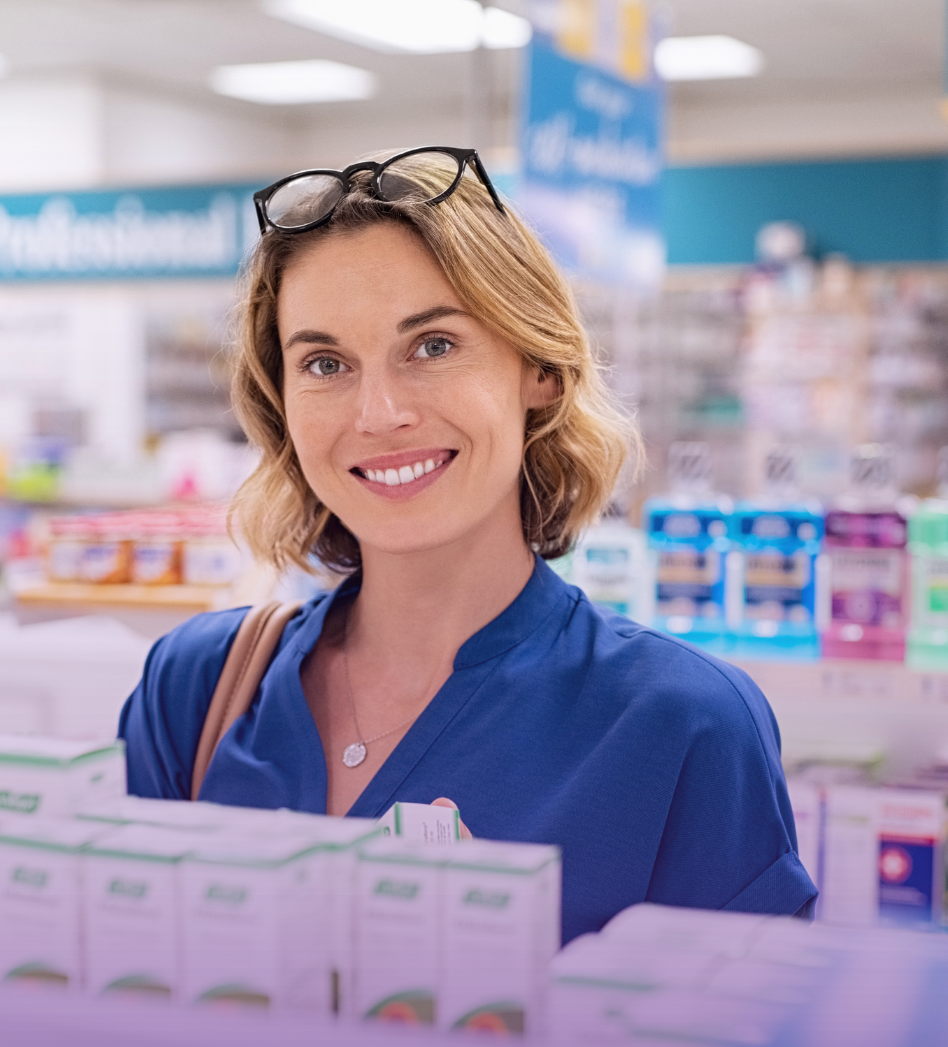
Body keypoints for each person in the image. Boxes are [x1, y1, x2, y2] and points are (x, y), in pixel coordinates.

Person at [120, 147, 817, 943]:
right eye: (324, 363)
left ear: (539, 369)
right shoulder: (200, 690)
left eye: (433, 346)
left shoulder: (680, 725)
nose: (378, 413)